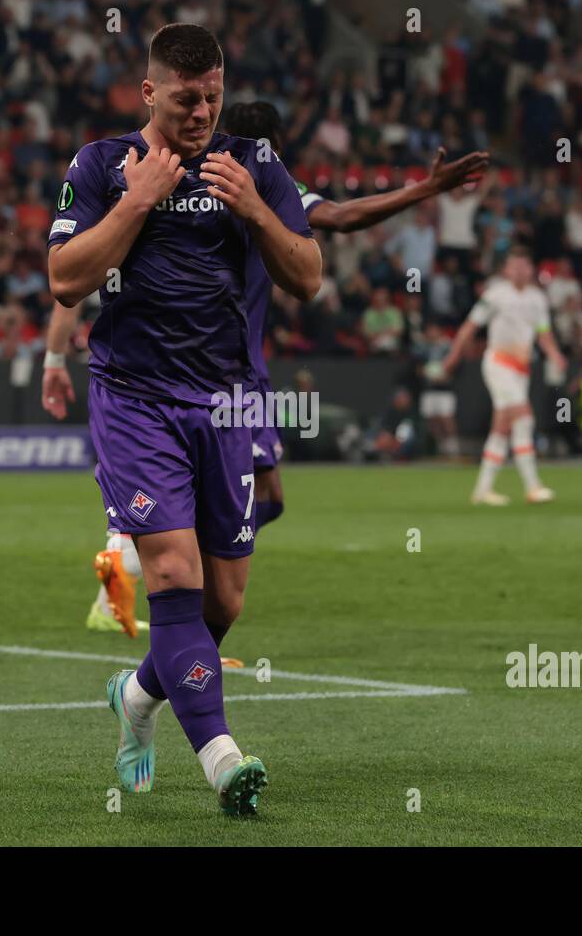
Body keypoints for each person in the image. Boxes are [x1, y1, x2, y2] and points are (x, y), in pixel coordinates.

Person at [43, 100, 486, 630]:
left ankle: (155, 572)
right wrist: (425, 190)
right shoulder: (217, 181)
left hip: (240, 375)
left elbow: (329, 235)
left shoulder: (250, 187)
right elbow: (73, 277)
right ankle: (137, 560)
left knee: (266, 496)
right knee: (227, 510)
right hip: (209, 379)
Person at [46, 24, 321, 817]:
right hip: (137, 398)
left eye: (212, 95)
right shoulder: (101, 164)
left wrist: (258, 214)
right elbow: (65, 278)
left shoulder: (254, 164)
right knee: (170, 574)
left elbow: (308, 276)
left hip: (229, 402)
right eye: (184, 96)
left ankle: (135, 698)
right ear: (149, 92)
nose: (201, 111)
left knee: (223, 601)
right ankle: (222, 758)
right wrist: (137, 200)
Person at [442, 246, 567, 505]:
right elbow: (470, 326)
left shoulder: (537, 299)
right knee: (523, 419)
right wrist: (454, 355)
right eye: (515, 266)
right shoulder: (495, 295)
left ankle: (483, 490)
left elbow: (543, 333)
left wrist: (555, 354)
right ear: (506, 270)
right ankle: (533, 486)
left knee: (501, 428)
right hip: (498, 364)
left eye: (524, 266)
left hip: (522, 369)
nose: (520, 271)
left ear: (531, 269)